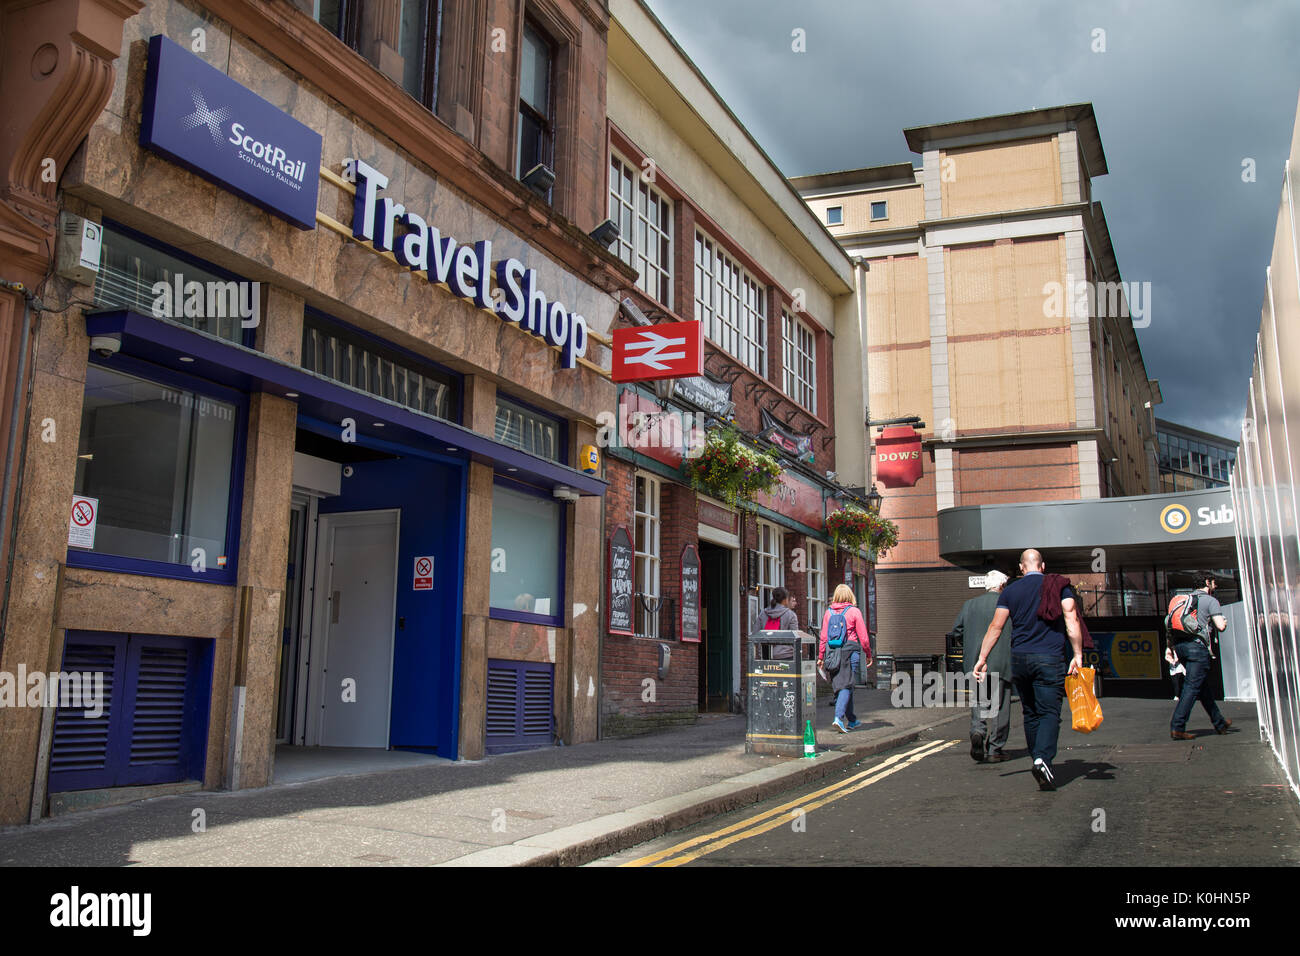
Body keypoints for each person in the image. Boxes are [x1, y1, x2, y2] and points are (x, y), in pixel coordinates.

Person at [972, 549, 1083, 791]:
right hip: (1050, 658)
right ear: (1042, 566)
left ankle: (1037, 759)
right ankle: (1043, 758)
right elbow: (1070, 616)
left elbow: (996, 626)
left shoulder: (1010, 590)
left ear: (1022, 568)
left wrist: (982, 658)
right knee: (1049, 712)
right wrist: (1077, 654)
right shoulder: (1059, 585)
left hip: (1020, 659)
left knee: (1031, 713)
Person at [951, 570, 1011, 763]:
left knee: (979, 701)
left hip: (976, 661)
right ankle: (995, 747)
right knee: (1000, 706)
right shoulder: (1008, 605)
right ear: (1002, 586)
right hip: (1001, 661)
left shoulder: (969, 605)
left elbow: (956, 631)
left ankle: (978, 730)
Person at [1168, 572, 1232, 739]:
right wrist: (1224, 621)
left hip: (1181, 647)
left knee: (1201, 687)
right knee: (1191, 688)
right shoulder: (1211, 601)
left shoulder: (1185, 600)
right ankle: (1177, 726)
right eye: (1213, 582)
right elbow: (1221, 626)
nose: (1215, 586)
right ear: (1207, 583)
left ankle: (1220, 723)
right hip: (1197, 648)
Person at [818, 584, 872, 733]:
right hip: (850, 650)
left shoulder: (828, 613)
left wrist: (821, 656)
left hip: (833, 652)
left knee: (843, 685)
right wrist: (868, 653)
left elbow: (823, 637)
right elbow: (864, 637)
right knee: (846, 685)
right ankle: (838, 718)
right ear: (850, 596)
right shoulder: (854, 611)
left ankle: (852, 720)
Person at [762, 587, 799, 660]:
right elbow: (795, 636)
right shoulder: (791, 615)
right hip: (786, 655)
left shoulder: (763, 614)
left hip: (766, 655)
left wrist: (761, 653)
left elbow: (756, 633)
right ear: (785, 600)